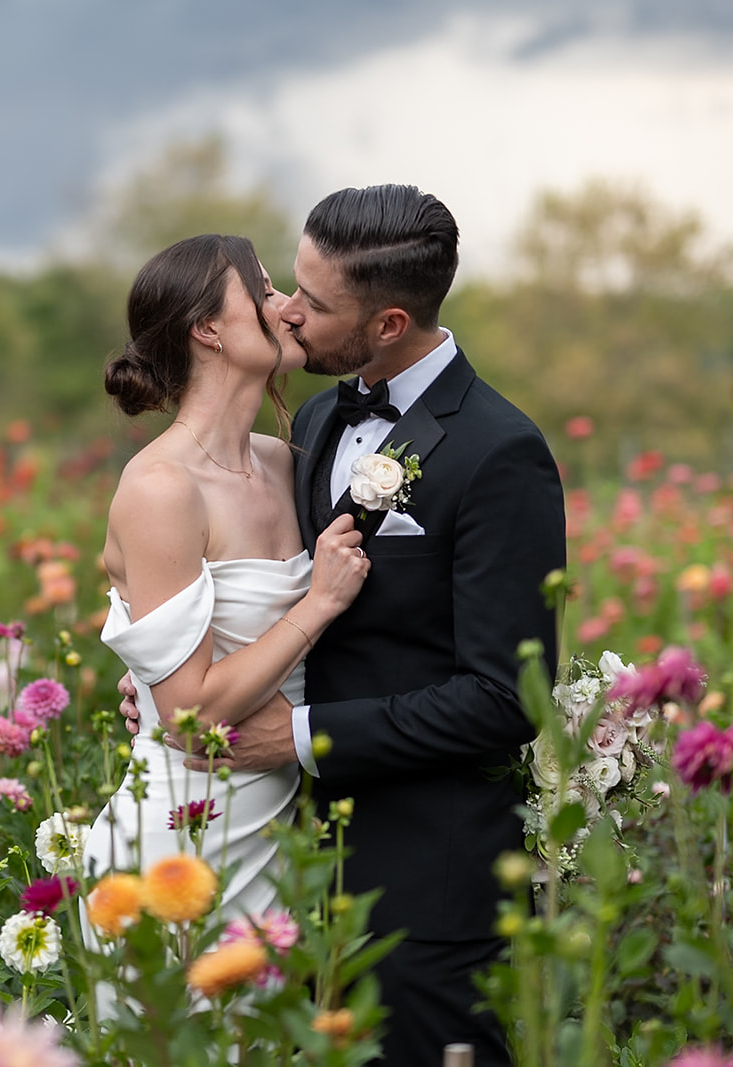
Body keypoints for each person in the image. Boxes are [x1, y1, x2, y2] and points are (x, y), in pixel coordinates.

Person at [133, 185, 566, 1067]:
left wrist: (296, 736)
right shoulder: (318, 422)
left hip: (424, 880)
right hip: (278, 858)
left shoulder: (498, 452)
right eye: (289, 284)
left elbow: (502, 699)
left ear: (389, 322)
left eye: (316, 303)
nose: (289, 309)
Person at [81, 233, 370, 924]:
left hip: (279, 842)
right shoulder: (160, 487)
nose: (289, 309)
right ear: (208, 329)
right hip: (179, 842)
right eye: (266, 291)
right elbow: (191, 715)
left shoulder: (284, 461)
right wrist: (320, 603)